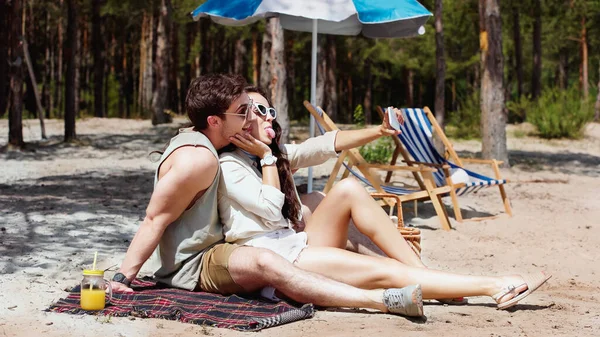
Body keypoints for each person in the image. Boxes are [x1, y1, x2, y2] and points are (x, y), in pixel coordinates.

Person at [108, 73, 423, 317]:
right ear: (216, 120)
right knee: (289, 232)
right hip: (209, 259)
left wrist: (379, 132)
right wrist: (124, 277)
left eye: (257, 110)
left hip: (247, 242)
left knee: (318, 199)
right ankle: (392, 285)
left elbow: (325, 145)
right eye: (246, 111)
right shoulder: (202, 158)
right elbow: (155, 219)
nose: (256, 117)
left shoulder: (249, 152)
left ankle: (415, 273)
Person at [217, 86, 552, 311]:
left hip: (294, 245)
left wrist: (379, 131)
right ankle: (495, 286)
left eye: (269, 108)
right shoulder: (231, 164)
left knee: (347, 188)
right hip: (281, 264)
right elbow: (271, 209)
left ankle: (427, 273)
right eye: (257, 110)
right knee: (387, 271)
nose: (268, 115)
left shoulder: (270, 156)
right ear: (239, 120)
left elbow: (322, 146)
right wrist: (267, 158)